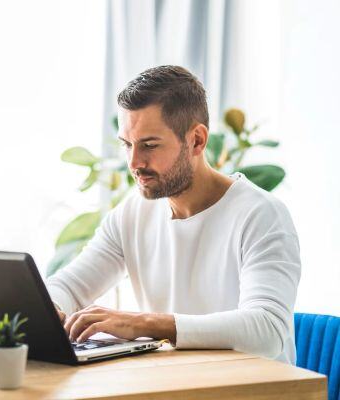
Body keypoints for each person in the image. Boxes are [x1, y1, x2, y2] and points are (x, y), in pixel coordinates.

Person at [46, 65, 301, 364]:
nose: (134, 162)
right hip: (175, 386)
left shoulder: (262, 216)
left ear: (196, 140)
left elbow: (267, 331)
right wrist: (47, 308)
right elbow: (68, 286)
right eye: (127, 145)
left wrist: (146, 324)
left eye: (149, 145)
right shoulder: (132, 214)